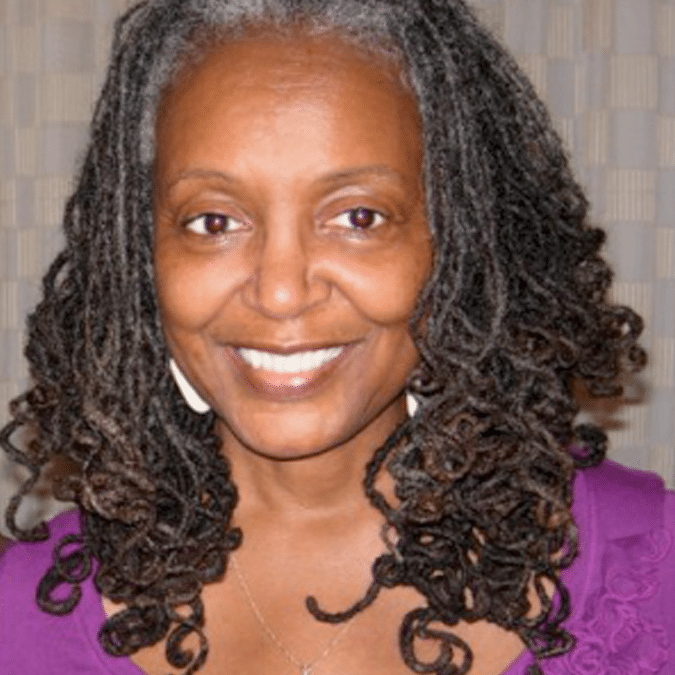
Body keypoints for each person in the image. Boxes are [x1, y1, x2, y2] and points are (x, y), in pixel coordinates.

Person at [0, 0, 673, 674]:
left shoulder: (653, 570)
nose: (280, 291)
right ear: (138, 256)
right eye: (214, 222)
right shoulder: (21, 616)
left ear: (461, 241)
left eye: (358, 217)